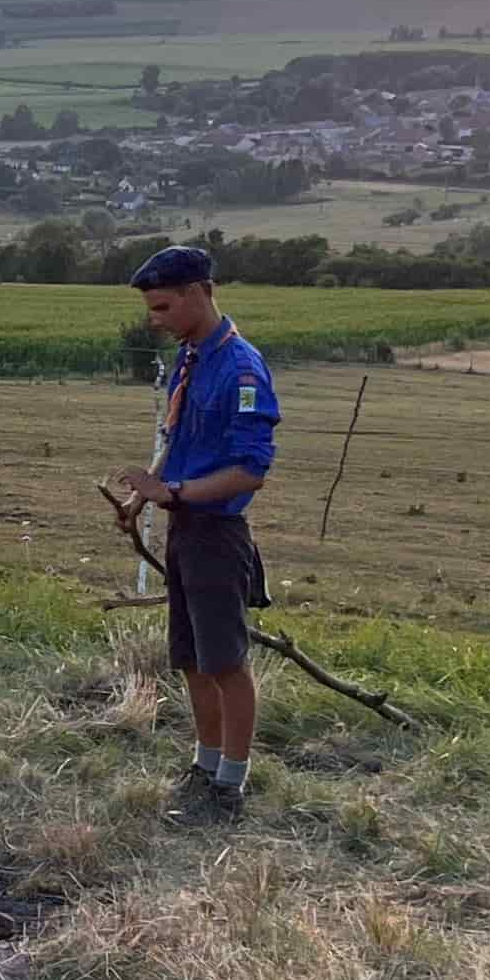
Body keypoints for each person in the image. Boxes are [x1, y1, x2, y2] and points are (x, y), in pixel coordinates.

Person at [105, 244, 278, 827]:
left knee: (226, 661)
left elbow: (250, 469)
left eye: (162, 307)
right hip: (183, 530)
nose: (154, 320)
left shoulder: (242, 369)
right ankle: (204, 764)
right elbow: (177, 441)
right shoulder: (190, 358)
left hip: (217, 533)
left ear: (198, 293)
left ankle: (232, 781)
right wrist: (140, 499)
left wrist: (172, 495)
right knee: (192, 660)